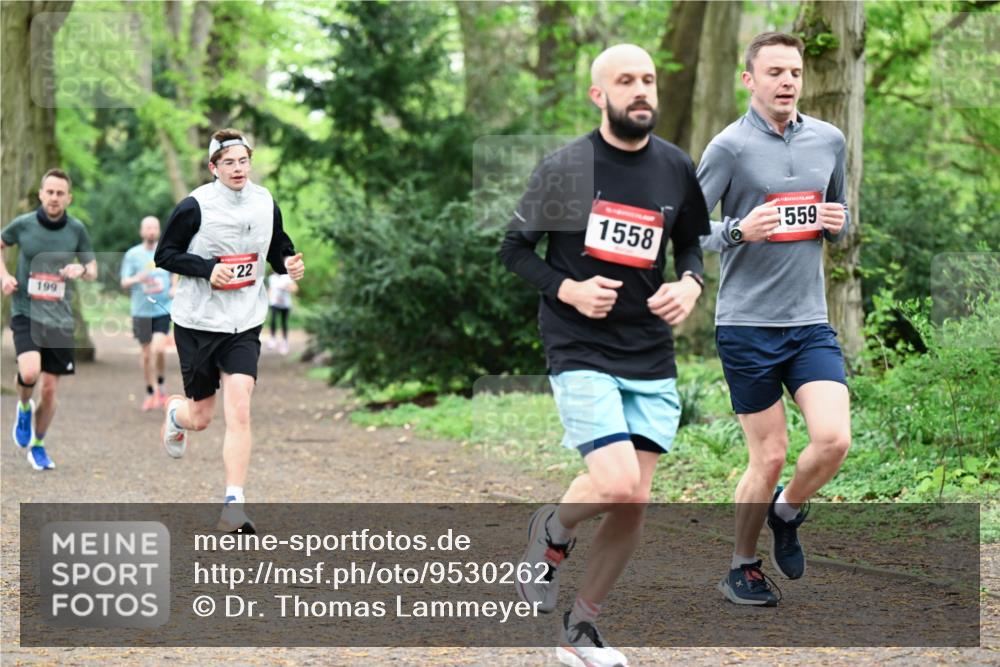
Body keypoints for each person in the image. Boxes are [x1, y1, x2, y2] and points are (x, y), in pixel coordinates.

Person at [500, 44, 709, 667]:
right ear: (600, 95)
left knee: (635, 500)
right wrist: (569, 288)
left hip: (649, 350)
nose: (641, 90)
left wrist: (690, 284)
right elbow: (514, 250)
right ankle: (553, 529)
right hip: (579, 344)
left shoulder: (674, 166)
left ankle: (582, 627)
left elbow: (692, 242)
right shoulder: (567, 168)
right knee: (618, 485)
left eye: (648, 79)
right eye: (626, 81)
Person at [696, 32, 852, 606]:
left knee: (833, 440)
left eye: (795, 73)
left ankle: (785, 512)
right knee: (768, 455)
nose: (788, 82)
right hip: (746, 325)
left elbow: (838, 217)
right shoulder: (729, 147)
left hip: (808, 319)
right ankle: (741, 566)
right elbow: (685, 230)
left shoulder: (830, 140)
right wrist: (739, 229)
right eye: (776, 73)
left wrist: (838, 223)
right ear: (750, 80)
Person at [154, 129, 304, 534]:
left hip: (244, 321)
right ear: (213, 167)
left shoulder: (265, 201)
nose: (237, 169)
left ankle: (233, 504)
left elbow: (277, 249)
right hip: (198, 322)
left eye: (243, 161)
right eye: (229, 163)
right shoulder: (195, 206)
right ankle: (175, 413)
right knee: (201, 417)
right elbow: (164, 254)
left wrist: (288, 263)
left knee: (239, 407)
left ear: (250, 162)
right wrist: (207, 269)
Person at [0, 169, 97, 470]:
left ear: (69, 198)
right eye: (50, 192)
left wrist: (80, 271)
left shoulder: (76, 229)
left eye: (60, 193)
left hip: (59, 318)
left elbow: (92, 267)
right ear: (41, 194)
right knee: (30, 372)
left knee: (51, 389)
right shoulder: (23, 225)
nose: (54, 198)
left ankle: (38, 445)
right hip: (26, 311)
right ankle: (25, 406)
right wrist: (4, 275)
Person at [120, 216, 176, 410]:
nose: (151, 231)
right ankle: (151, 392)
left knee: (159, 349)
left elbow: (175, 271)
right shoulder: (132, 255)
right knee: (145, 355)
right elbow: (124, 282)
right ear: (142, 231)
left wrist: (174, 287)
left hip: (162, 308)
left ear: (159, 230)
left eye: (154, 227)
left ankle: (161, 385)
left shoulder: (166, 250)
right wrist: (139, 277)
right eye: (148, 228)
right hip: (141, 312)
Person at [266, 270, 297, 355]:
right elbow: (270, 289)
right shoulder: (271, 278)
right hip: (274, 302)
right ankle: (272, 338)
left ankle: (285, 341)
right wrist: (268, 299)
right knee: (273, 320)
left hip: (285, 304)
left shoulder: (287, 277)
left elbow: (295, 288)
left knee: (284, 323)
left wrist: (287, 287)